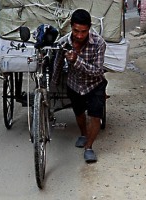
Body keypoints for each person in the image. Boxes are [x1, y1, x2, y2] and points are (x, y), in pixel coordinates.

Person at [52, 9, 108, 163]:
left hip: (94, 85)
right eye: (76, 31)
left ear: (89, 28)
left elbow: (97, 71)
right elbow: (57, 64)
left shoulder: (99, 43)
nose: (79, 35)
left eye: (83, 31)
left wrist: (76, 61)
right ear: (71, 26)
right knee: (79, 113)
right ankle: (84, 134)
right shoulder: (63, 43)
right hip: (74, 84)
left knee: (95, 116)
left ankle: (89, 147)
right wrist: (53, 85)